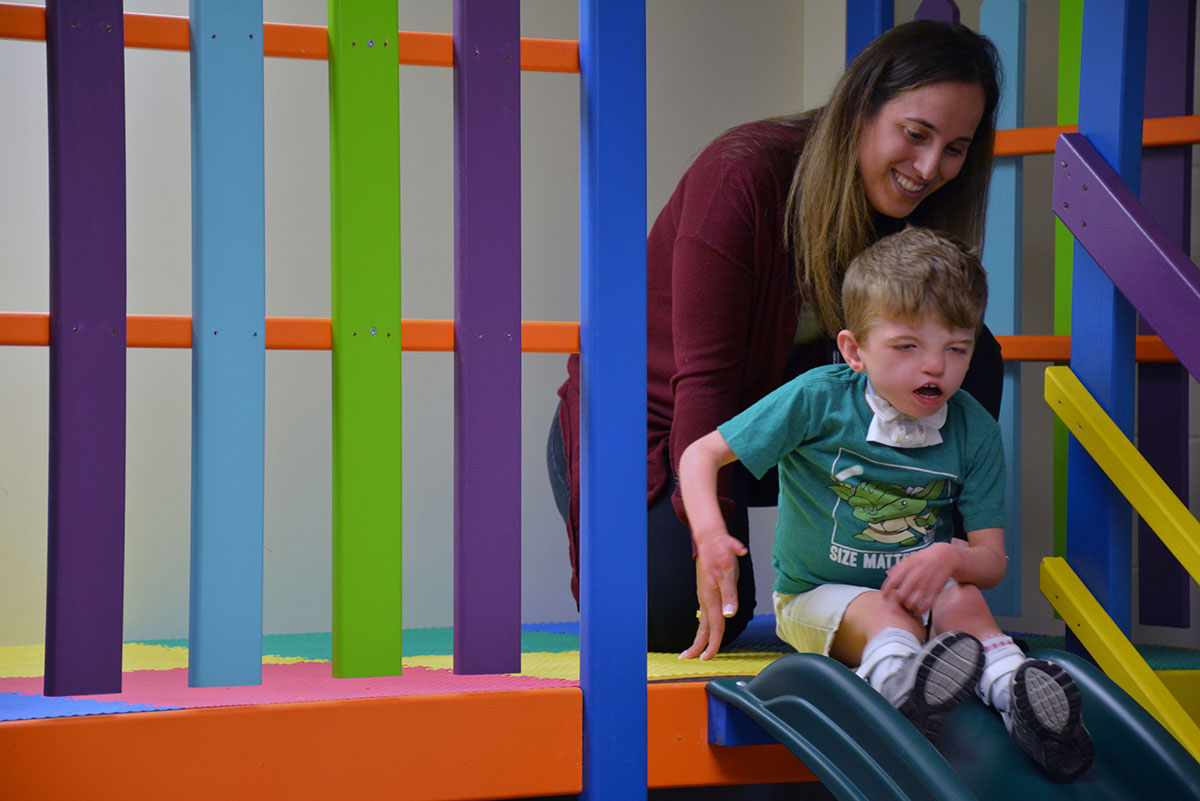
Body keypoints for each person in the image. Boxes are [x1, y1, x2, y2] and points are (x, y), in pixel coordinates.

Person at [548, 20, 1005, 653]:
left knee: (973, 349)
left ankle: (922, 586)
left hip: (803, 428)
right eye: (916, 134)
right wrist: (708, 539)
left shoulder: (917, 214)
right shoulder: (742, 178)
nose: (930, 168)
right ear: (858, 110)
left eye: (955, 148)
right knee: (681, 614)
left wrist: (950, 561)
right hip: (661, 424)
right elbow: (704, 387)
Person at [678, 228, 1094, 783]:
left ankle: (1018, 692)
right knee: (888, 613)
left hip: (920, 596)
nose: (934, 368)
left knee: (963, 597)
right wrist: (710, 536)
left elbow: (990, 560)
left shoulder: (974, 428)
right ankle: (904, 698)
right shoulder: (817, 399)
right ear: (854, 350)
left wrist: (950, 558)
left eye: (956, 349)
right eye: (907, 347)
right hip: (814, 597)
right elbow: (701, 455)